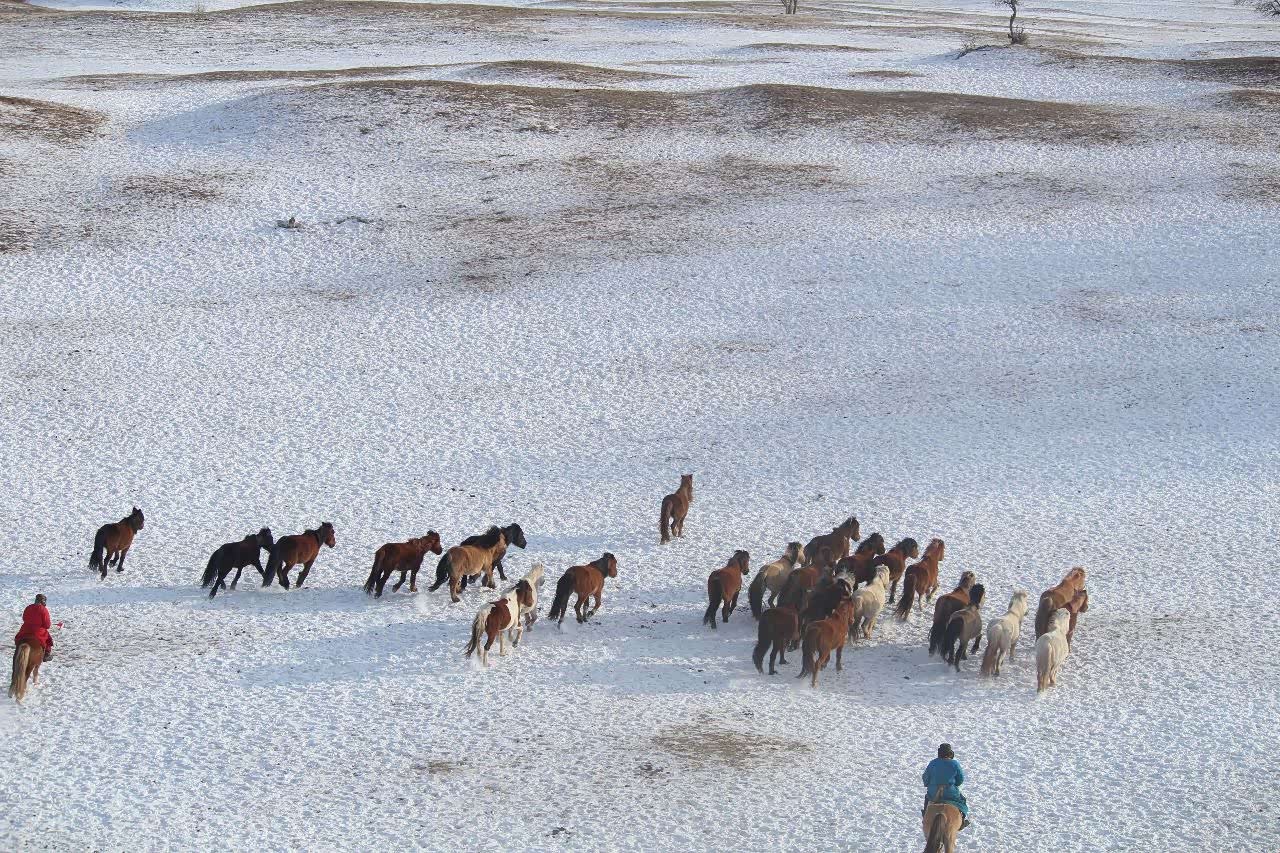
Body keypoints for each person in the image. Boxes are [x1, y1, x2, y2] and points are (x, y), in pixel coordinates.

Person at [922, 742, 969, 830]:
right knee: (962, 801)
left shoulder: (933, 763)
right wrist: (955, 784)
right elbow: (960, 779)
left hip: (934, 793)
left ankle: (925, 815)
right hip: (950, 793)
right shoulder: (955, 764)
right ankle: (962, 820)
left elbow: (925, 778)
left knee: (927, 799)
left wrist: (929, 784)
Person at [14, 593, 53, 661]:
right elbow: (47, 625)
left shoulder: (28, 607)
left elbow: (24, 618)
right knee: (48, 640)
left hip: (25, 629)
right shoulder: (43, 609)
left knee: (19, 638)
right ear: (43, 601)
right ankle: (46, 654)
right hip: (37, 632)